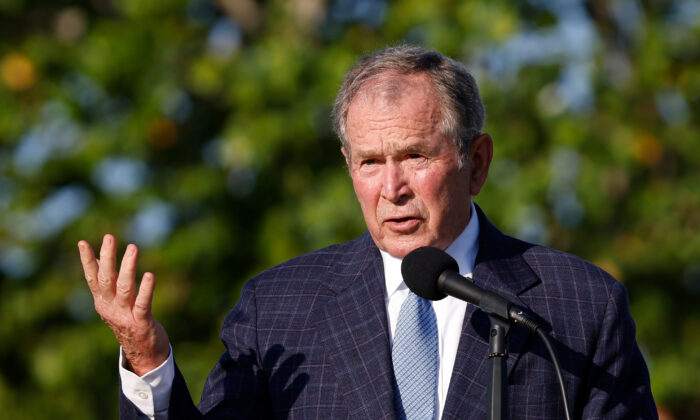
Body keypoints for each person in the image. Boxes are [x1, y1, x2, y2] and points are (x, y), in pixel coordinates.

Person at [78, 45, 657, 419]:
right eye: (370, 162)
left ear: (476, 162)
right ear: (348, 167)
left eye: (415, 156)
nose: (393, 187)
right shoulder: (278, 307)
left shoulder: (579, 305)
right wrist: (147, 356)